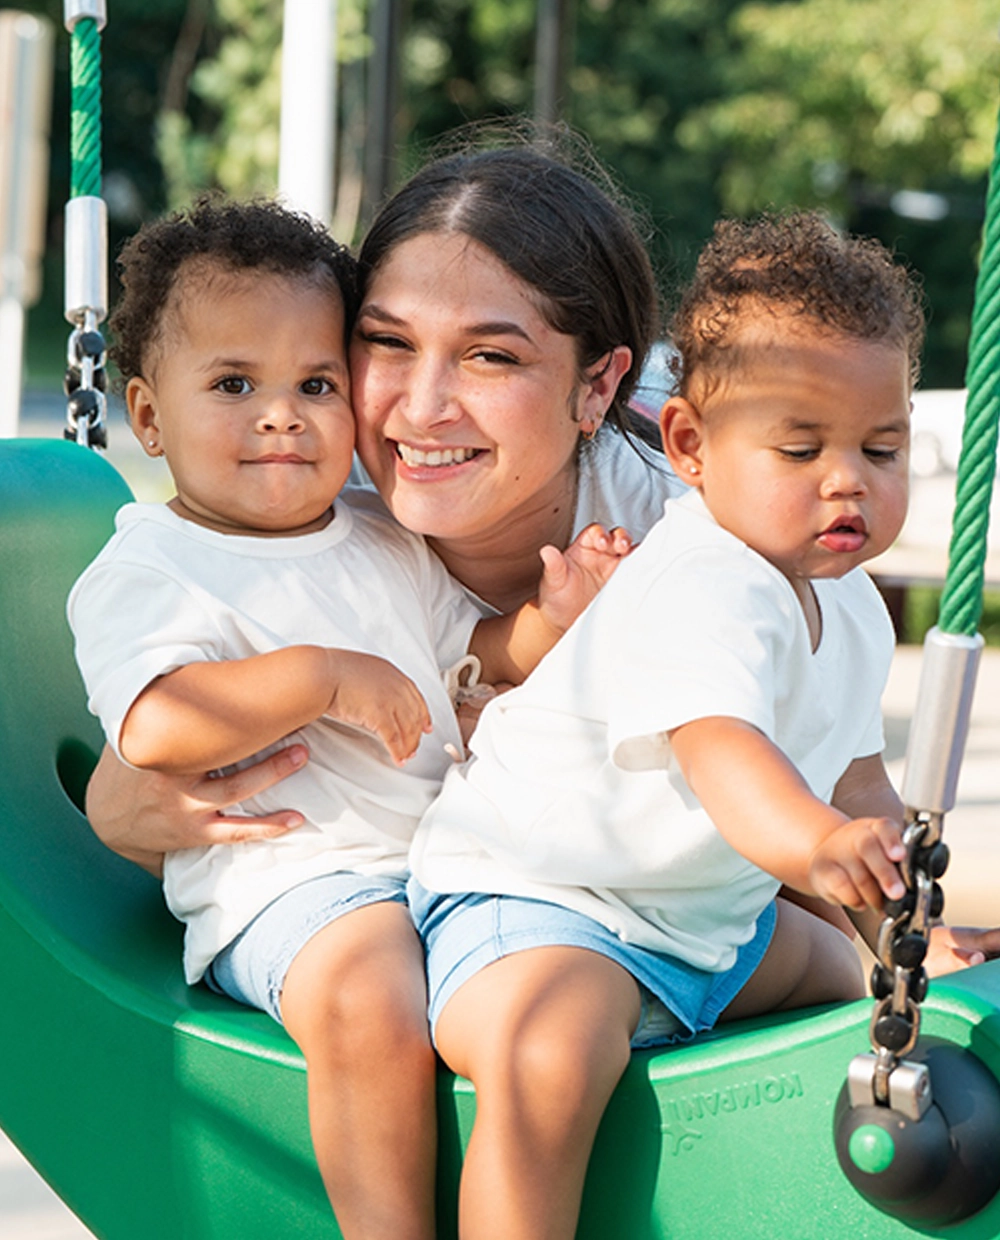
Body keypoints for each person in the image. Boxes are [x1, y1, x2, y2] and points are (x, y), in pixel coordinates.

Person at [403, 211, 981, 1240]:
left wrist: (904, 924)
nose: (845, 478)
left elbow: (853, 783)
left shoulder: (841, 593)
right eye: (799, 447)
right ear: (689, 446)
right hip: (542, 905)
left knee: (847, 977)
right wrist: (816, 843)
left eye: (879, 447)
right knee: (553, 1054)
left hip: (698, 925)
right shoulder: (702, 577)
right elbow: (728, 759)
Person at [67, 195, 629, 1240]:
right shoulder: (152, 563)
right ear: (147, 418)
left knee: (533, 981)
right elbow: (155, 724)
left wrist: (550, 618)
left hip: (437, 868)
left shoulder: (378, 534)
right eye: (234, 385)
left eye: (316, 384)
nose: (283, 414)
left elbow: (473, 658)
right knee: (372, 996)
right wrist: (319, 677)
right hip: (291, 880)